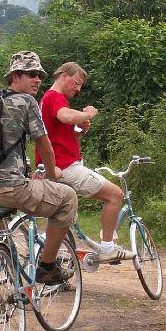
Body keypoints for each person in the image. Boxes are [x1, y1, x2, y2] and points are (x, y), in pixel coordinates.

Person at [0, 50, 78, 331]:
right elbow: (44, 143)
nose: (38, 80)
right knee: (66, 199)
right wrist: (54, 175)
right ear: (15, 76)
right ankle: (47, 264)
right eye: (32, 74)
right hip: (11, 188)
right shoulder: (27, 103)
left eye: (41, 75)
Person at [36, 62, 135, 262]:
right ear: (64, 76)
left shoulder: (50, 99)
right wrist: (89, 113)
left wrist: (80, 129)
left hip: (58, 165)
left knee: (63, 216)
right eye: (76, 83)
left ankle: (52, 259)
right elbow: (66, 116)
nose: (78, 89)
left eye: (80, 85)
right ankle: (108, 247)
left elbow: (60, 136)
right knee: (115, 195)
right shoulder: (55, 97)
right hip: (66, 167)